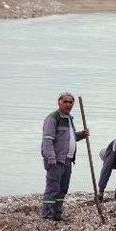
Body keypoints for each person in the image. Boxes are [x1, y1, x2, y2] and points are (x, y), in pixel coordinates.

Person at [40, 92, 89, 221]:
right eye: (65, 102)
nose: (68, 104)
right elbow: (47, 140)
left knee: (63, 188)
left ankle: (57, 214)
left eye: (70, 102)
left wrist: (82, 135)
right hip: (56, 160)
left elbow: (69, 138)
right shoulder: (53, 118)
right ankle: (48, 215)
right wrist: (51, 157)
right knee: (53, 188)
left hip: (68, 159)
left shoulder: (69, 119)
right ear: (59, 102)